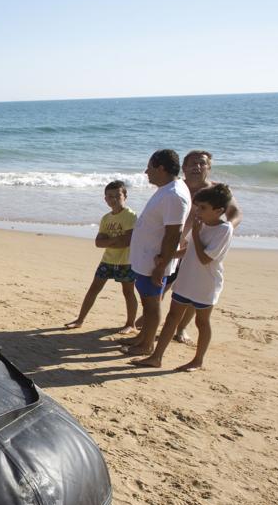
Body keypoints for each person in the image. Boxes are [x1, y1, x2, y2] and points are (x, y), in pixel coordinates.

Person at [131, 184, 235, 371]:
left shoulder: (224, 230)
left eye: (203, 208)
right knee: (172, 317)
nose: (198, 212)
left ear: (218, 210)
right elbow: (191, 250)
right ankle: (156, 357)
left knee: (201, 322)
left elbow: (205, 258)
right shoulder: (201, 224)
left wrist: (195, 231)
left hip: (205, 284)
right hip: (186, 279)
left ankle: (198, 359)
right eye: (197, 207)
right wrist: (169, 256)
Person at [120, 149, 191, 358]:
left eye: (149, 167)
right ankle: (142, 338)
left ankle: (147, 345)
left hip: (154, 261)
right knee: (147, 302)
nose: (146, 171)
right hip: (146, 259)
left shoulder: (174, 195)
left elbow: (173, 233)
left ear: (161, 168)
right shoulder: (167, 189)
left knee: (152, 305)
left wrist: (161, 265)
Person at [171, 150, 243, 343]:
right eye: (192, 163)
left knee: (196, 292)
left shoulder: (216, 191)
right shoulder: (176, 186)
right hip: (175, 245)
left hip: (202, 246)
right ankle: (151, 320)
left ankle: (181, 329)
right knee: (167, 285)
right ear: (184, 167)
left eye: (202, 163)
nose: (197, 167)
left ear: (209, 168)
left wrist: (221, 231)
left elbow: (235, 213)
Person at [65, 181, 138, 330]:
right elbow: (98, 243)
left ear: (125, 196)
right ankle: (79, 320)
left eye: (117, 196)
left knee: (128, 292)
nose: (114, 200)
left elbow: (126, 241)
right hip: (108, 260)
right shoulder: (106, 218)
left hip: (126, 261)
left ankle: (130, 324)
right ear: (105, 199)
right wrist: (115, 240)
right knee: (94, 289)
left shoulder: (130, 215)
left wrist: (109, 241)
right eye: (110, 196)